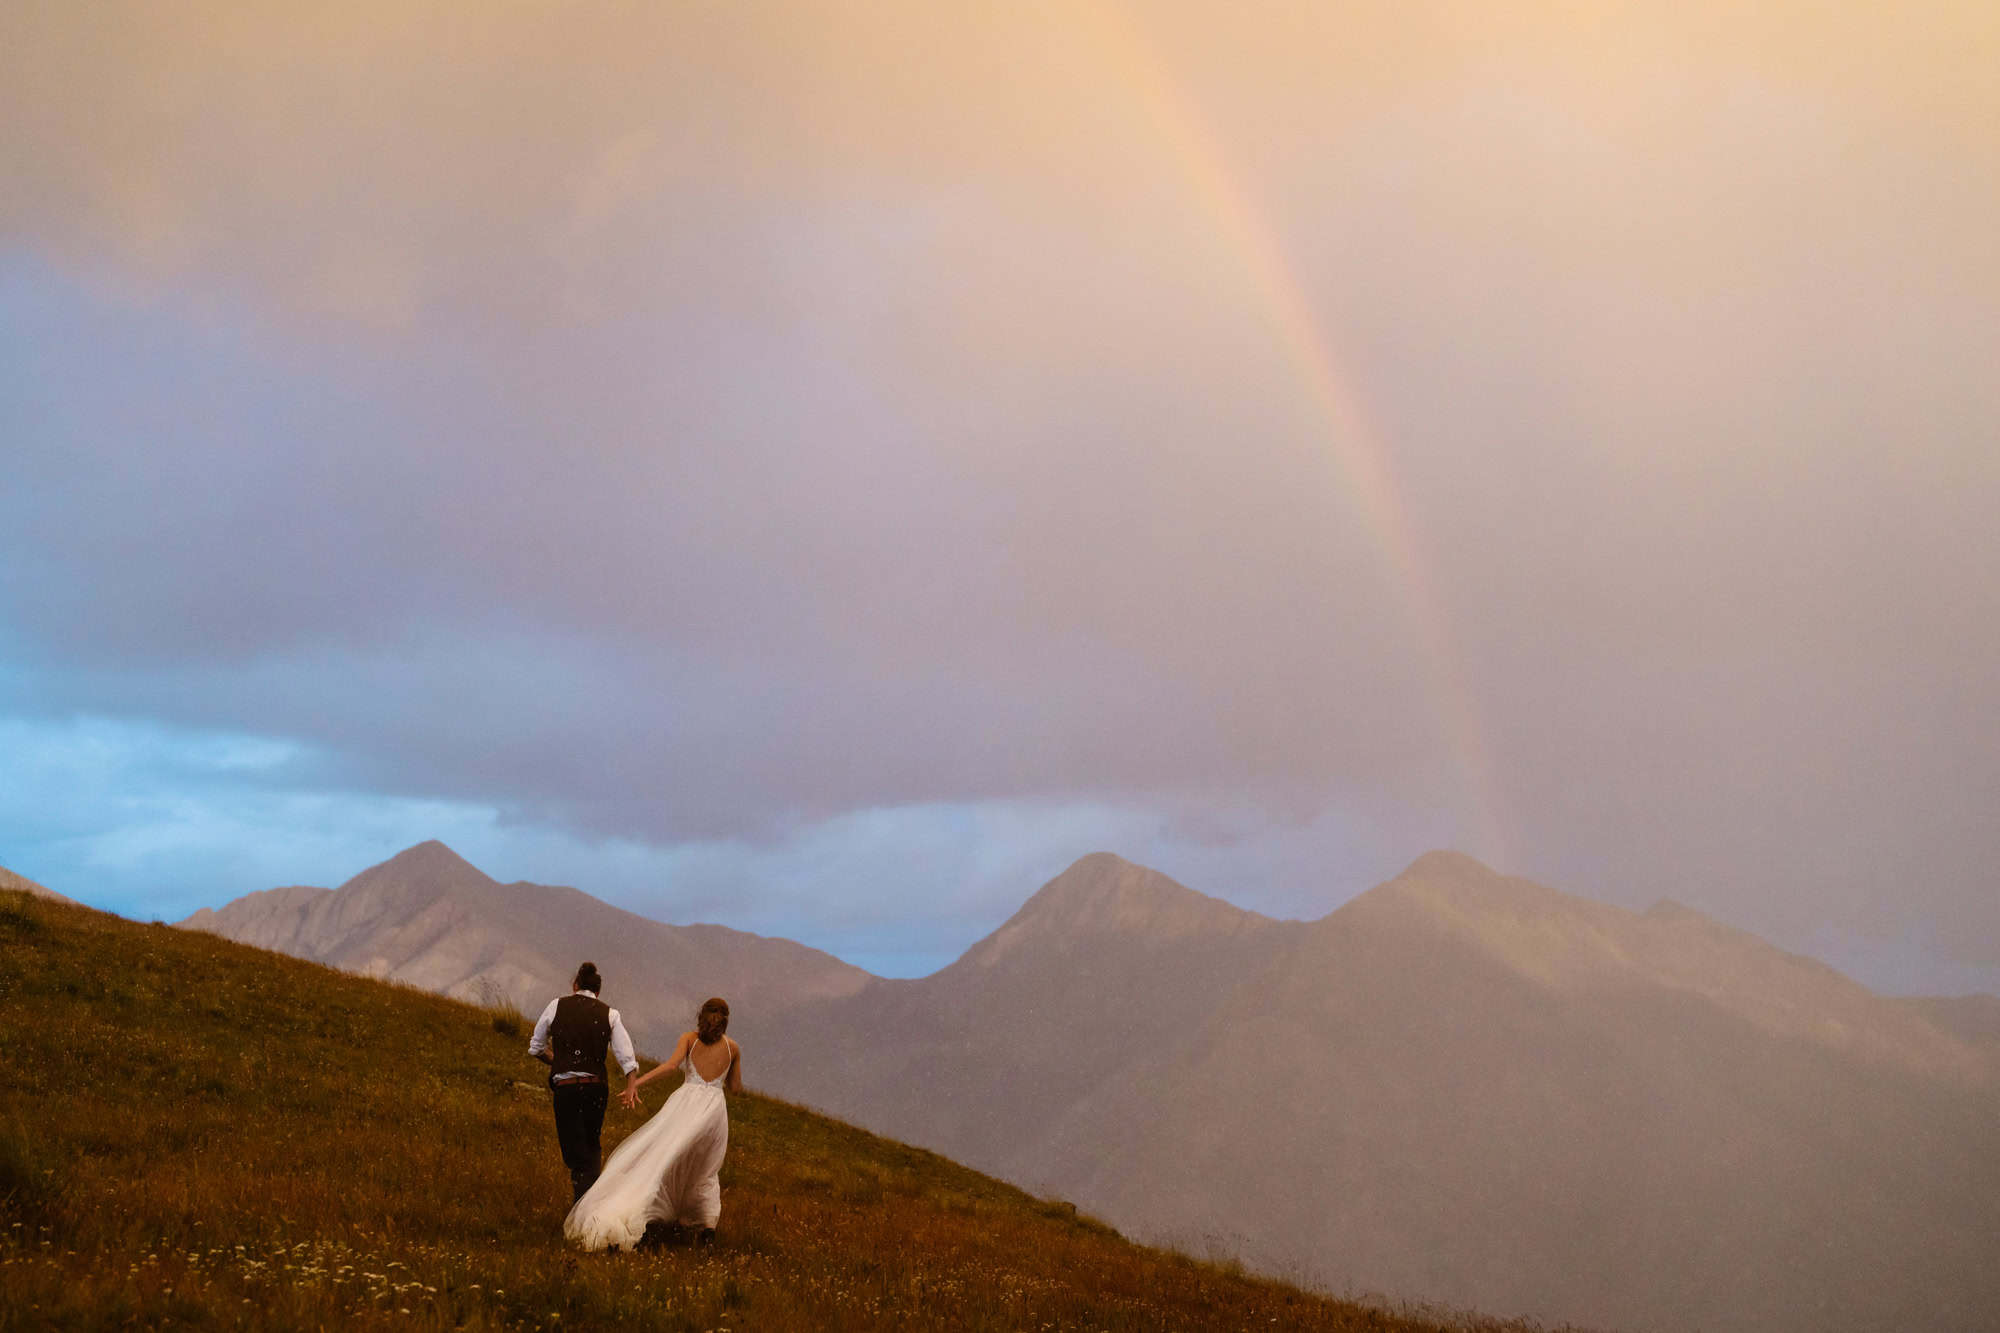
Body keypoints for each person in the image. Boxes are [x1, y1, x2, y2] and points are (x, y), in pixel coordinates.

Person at [564, 997, 742, 1252]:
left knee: (664, 1158)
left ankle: (649, 1216)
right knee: (706, 1169)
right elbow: (735, 1088)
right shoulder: (733, 1048)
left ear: (701, 1015)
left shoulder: (689, 1039)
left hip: (685, 1106)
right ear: (726, 1020)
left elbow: (670, 1067)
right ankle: (707, 1229)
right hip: (714, 1111)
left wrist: (637, 1082)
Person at [527, 961, 642, 1204]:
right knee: (591, 1143)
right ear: (598, 992)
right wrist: (631, 1085)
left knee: (574, 1150)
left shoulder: (556, 1006)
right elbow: (626, 1056)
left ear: (575, 985)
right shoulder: (609, 1014)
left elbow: (536, 1047)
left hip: (566, 1089)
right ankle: (589, 1202)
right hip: (595, 1087)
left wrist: (560, 1061)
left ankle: (583, 1203)